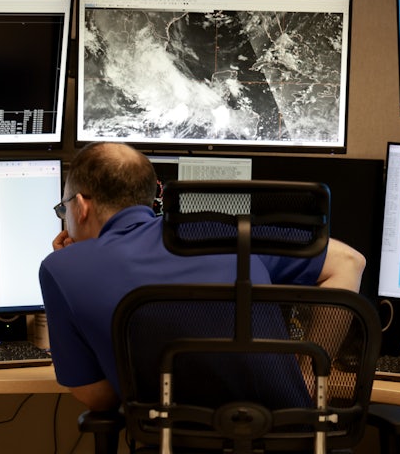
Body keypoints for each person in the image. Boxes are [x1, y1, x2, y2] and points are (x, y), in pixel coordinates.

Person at [38, 142, 366, 412]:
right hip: (291, 435)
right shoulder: (223, 233)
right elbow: (350, 262)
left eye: (63, 210)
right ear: (154, 194)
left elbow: (99, 398)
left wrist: (71, 269)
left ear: (80, 207)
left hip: (173, 442)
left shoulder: (63, 268)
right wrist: (308, 378)